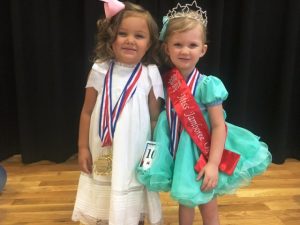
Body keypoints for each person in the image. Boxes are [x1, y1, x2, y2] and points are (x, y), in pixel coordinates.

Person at [137, 1, 272, 225]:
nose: (185, 50)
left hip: (201, 150)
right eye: (178, 44)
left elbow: (219, 126)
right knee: (185, 199)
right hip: (177, 149)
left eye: (192, 44)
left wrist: (213, 163)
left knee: (207, 200)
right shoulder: (167, 79)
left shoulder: (207, 85)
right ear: (166, 48)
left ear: (203, 49)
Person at [72, 1, 164, 225]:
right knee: (105, 193)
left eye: (139, 36)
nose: (130, 40)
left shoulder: (150, 74)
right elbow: (86, 112)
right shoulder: (100, 69)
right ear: (111, 37)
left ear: (149, 43)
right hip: (102, 147)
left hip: (136, 150)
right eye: (123, 33)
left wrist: (151, 158)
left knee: (133, 192)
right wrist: (82, 147)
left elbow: (154, 119)